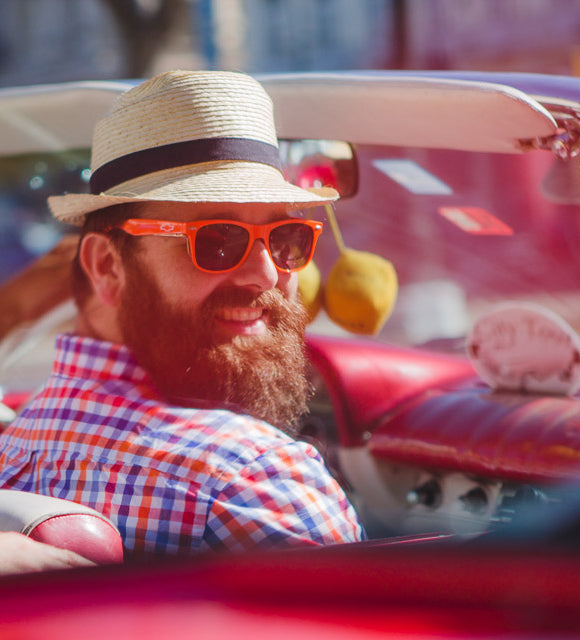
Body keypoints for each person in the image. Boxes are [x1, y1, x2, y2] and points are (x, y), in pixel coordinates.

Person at [0, 70, 363, 555]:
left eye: (287, 240)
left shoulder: (19, 442)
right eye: (217, 240)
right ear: (107, 266)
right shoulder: (254, 480)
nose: (267, 275)